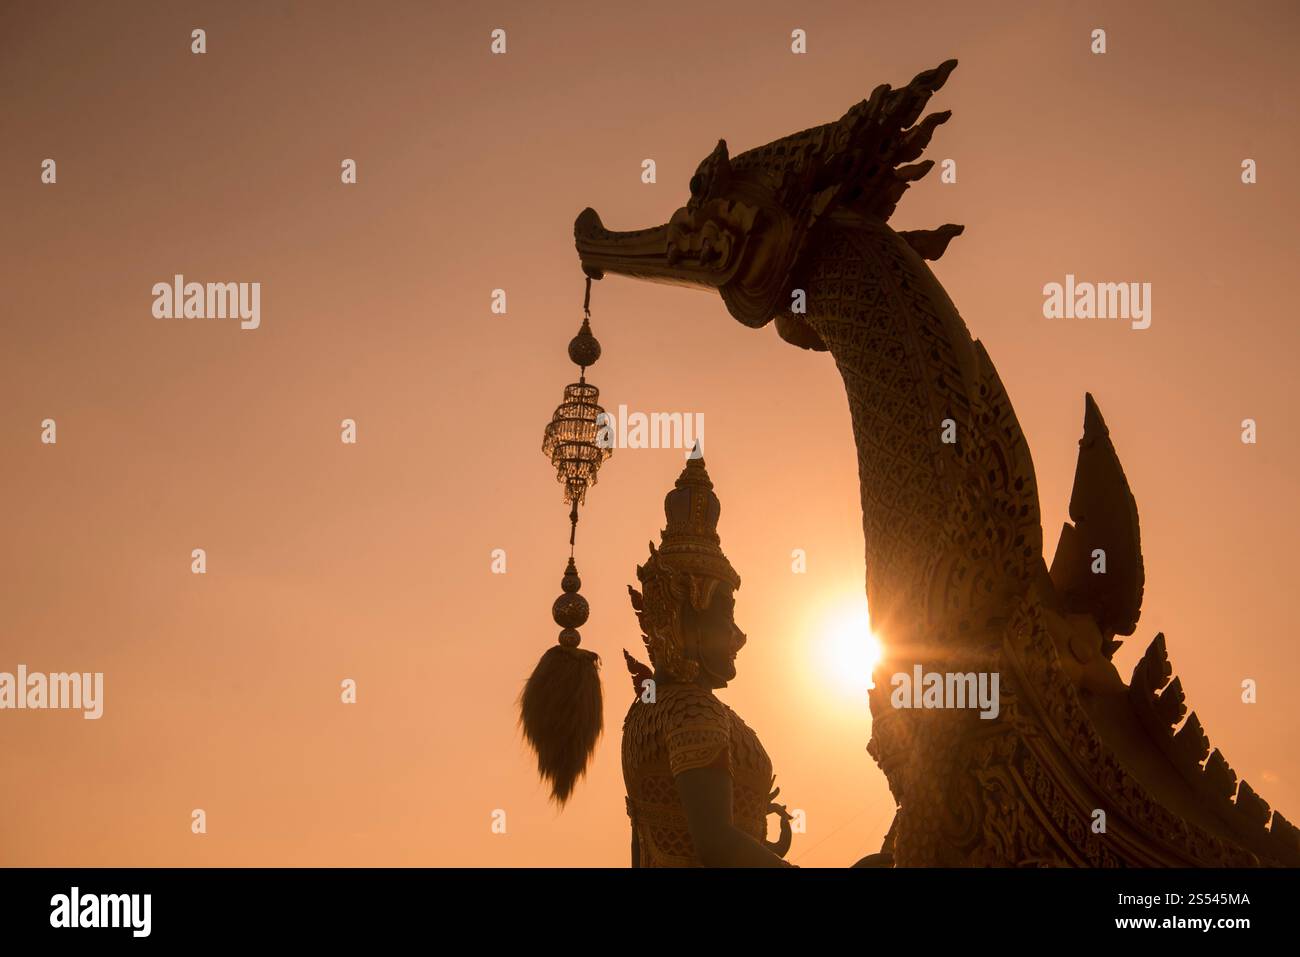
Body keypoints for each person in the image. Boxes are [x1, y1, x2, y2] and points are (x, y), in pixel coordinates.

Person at [622, 456, 794, 867]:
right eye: (726, 615)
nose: (738, 635)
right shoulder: (694, 710)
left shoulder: (644, 712)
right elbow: (715, 843)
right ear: (687, 617)